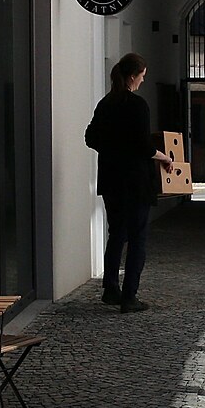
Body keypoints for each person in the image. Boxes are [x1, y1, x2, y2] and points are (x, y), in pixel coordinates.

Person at [85, 53, 173, 314]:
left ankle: (111, 289)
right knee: (137, 239)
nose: (143, 81)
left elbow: (90, 138)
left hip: (111, 180)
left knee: (116, 235)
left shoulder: (106, 103)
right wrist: (164, 157)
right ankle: (129, 296)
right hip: (135, 181)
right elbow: (144, 146)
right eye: (142, 76)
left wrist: (111, 150)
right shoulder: (137, 105)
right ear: (133, 76)